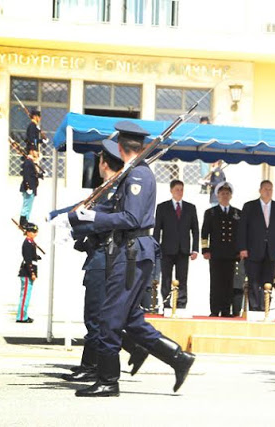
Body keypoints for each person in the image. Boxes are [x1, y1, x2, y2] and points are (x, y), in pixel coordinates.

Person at [54, 121, 195, 397]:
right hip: (130, 251)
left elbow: (130, 218)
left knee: (108, 317)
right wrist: (71, 218)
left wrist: (92, 217)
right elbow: (112, 208)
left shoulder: (138, 176)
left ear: (119, 147)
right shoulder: (131, 173)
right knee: (131, 319)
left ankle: (108, 380)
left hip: (131, 253)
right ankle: (178, 358)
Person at [60, 140, 149, 382]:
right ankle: (103, 360)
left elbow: (103, 224)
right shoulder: (106, 189)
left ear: (103, 162)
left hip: (104, 257)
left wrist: (77, 226)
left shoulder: (112, 191)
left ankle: (96, 366)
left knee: (97, 317)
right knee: (97, 316)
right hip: (98, 256)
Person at [237, 180, 275, 311]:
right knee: (254, 282)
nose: (268, 191)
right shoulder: (249, 207)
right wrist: (242, 248)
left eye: (270, 189)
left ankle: (265, 307)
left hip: (272, 251)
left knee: (268, 282)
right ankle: (255, 308)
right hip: (253, 250)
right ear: (260, 190)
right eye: (265, 189)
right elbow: (242, 228)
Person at [153, 180, 199, 309]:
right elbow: (157, 229)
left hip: (183, 249)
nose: (179, 192)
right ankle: (167, 304)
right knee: (166, 278)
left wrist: (195, 249)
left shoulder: (190, 208)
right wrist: (155, 247)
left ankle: (181, 304)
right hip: (167, 249)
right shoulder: (162, 207)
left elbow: (195, 229)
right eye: (177, 189)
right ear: (171, 190)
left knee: (182, 279)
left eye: (181, 189)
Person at [201, 181, 241, 317]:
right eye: (222, 193)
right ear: (217, 195)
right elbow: (204, 232)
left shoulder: (237, 213)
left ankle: (226, 310)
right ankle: (214, 310)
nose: (225, 195)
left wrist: (240, 250)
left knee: (228, 283)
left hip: (231, 254)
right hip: (216, 254)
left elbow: (241, 234)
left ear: (231, 196)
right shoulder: (211, 212)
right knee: (216, 282)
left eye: (227, 193)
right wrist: (205, 250)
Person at [17, 223, 41, 323]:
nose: (36, 234)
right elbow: (28, 260)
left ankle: (23, 315)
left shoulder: (31, 243)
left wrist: (36, 256)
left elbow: (31, 256)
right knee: (25, 296)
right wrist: (32, 273)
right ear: (28, 232)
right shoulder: (27, 243)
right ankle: (22, 317)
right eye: (34, 232)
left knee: (26, 295)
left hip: (28, 272)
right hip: (27, 273)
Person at [19, 148, 43, 226]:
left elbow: (32, 174)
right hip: (29, 187)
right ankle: (23, 222)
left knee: (29, 206)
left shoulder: (31, 162)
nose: (37, 154)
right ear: (32, 151)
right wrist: (28, 186)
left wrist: (40, 175)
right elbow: (26, 175)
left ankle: (26, 220)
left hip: (32, 187)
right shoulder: (28, 162)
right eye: (36, 152)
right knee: (27, 205)